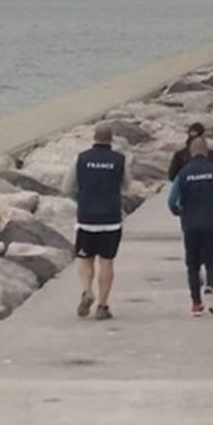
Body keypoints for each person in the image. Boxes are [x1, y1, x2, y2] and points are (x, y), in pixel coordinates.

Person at [62, 122, 131, 321]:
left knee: (85, 259)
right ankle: (102, 305)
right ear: (111, 140)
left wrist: (81, 195)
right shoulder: (119, 160)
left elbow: (66, 187)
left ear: (94, 138)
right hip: (110, 218)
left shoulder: (81, 159)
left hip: (86, 218)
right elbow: (127, 186)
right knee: (107, 262)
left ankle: (86, 291)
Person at [167, 137, 213, 316]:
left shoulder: (183, 173)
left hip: (190, 224)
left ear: (191, 152)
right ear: (206, 152)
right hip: (212, 222)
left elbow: (172, 200)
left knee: (192, 264)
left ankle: (196, 304)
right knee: (212, 260)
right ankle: (210, 286)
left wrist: (178, 212)